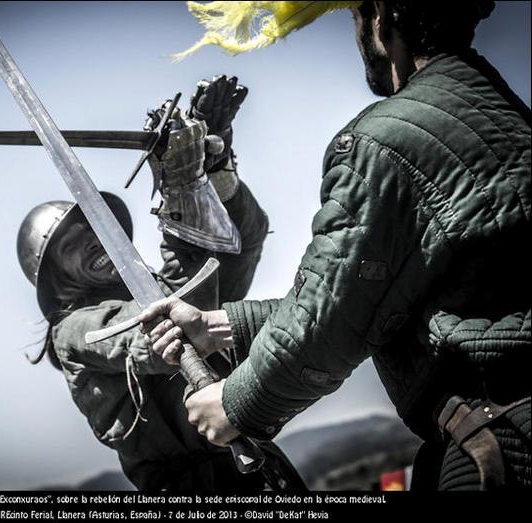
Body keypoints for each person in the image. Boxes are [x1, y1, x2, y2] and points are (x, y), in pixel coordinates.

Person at [141, 1, 530, 490]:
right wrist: (218, 326)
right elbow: (368, 295)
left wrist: (234, 404)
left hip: (505, 441)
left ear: (382, 17)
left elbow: (332, 314)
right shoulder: (505, 113)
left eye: (356, 16)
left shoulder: (387, 139)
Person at [17, 76, 305, 491]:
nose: (93, 241)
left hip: (260, 464)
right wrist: (181, 191)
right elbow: (164, 330)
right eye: (71, 246)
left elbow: (241, 247)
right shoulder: (73, 332)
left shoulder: (151, 284)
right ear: (58, 278)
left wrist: (214, 175)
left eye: (93, 228)